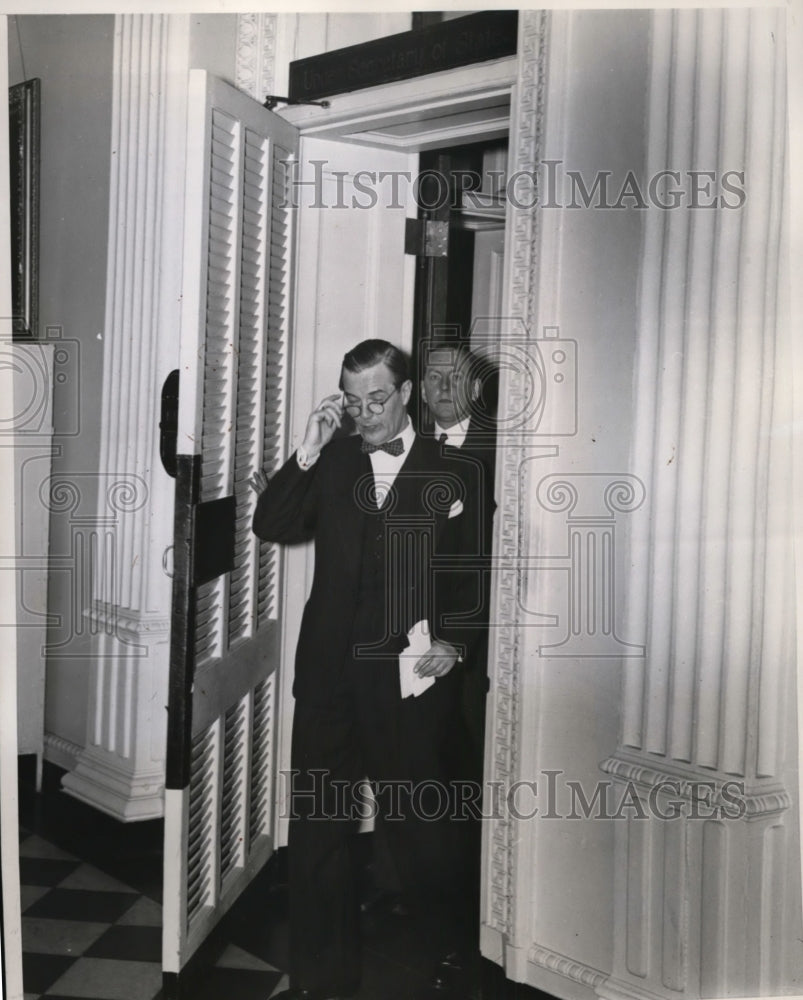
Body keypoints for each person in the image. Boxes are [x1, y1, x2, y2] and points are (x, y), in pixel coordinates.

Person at [250, 339, 490, 1000]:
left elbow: (475, 572)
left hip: (409, 678)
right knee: (318, 828)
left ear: (406, 393)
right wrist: (307, 448)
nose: (366, 415)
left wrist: (457, 641)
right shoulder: (332, 461)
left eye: (378, 399)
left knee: (421, 825)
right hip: (328, 675)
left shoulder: (456, 469)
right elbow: (271, 522)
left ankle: (450, 951)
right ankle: (320, 980)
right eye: (353, 403)